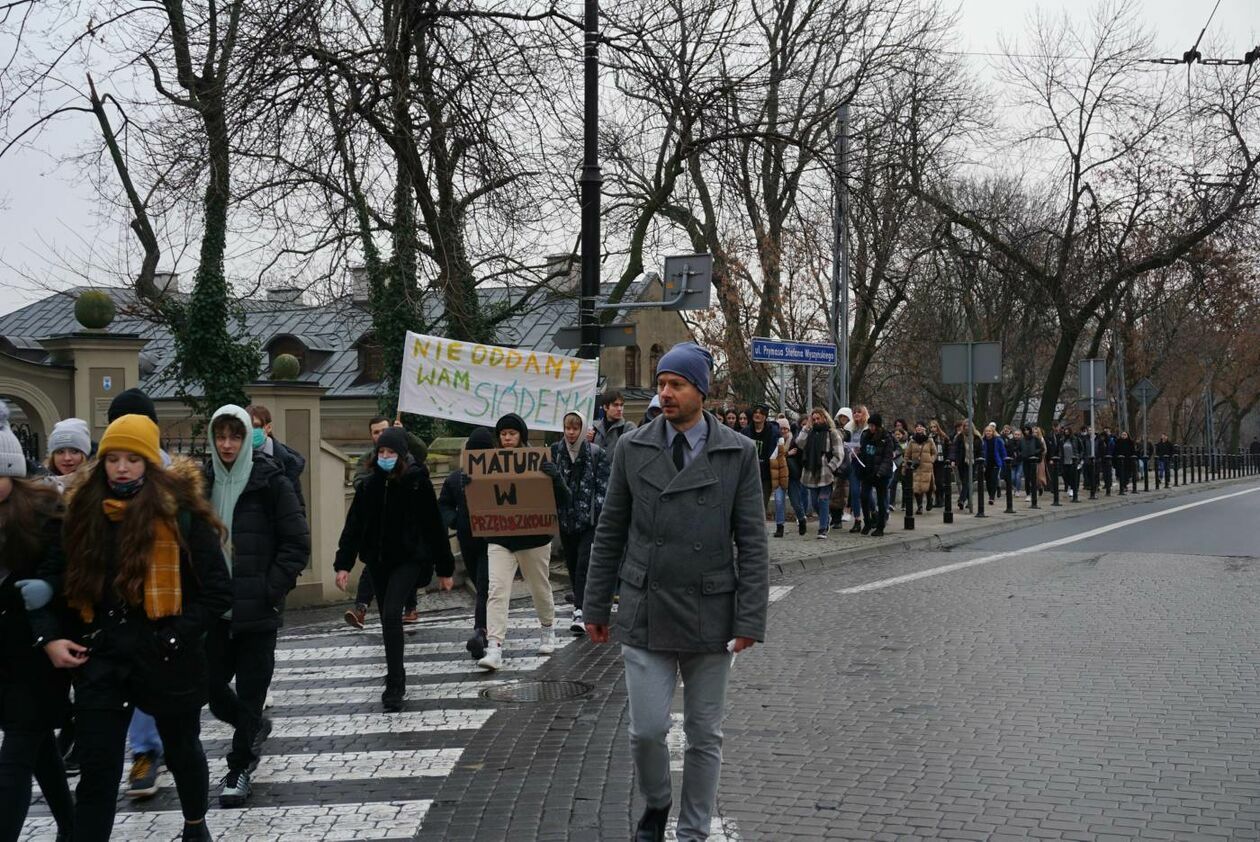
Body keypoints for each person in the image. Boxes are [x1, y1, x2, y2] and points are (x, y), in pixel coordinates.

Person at [583, 341, 768, 842]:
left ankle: (692, 833)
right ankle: (657, 800)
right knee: (645, 731)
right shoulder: (632, 446)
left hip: (712, 609)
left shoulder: (738, 451)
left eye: (676, 384)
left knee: (705, 735)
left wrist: (750, 619)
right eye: (662, 384)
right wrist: (595, 605)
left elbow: (752, 540)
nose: (665, 393)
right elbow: (610, 531)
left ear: (701, 392)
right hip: (646, 607)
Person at [38, 413, 232, 842]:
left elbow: (218, 592)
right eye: (113, 459)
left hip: (165, 655)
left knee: (182, 752)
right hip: (102, 658)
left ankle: (195, 825)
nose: (121, 468)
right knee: (98, 770)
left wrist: (177, 633)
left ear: (149, 462)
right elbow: (58, 583)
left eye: (132, 458)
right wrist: (52, 636)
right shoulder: (81, 512)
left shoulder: (180, 514)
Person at [203, 405, 310, 807]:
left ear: (248, 438)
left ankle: (240, 765)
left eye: (235, 436)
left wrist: (271, 589)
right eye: (221, 436)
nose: (227, 444)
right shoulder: (201, 481)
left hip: (259, 612)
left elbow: (296, 543)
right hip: (215, 610)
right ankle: (254, 727)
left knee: (251, 691)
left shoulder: (271, 482)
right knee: (211, 688)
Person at [334, 428, 454, 710]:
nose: (385, 457)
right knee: (388, 618)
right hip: (378, 560)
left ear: (401, 455)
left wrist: (445, 568)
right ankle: (395, 674)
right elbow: (353, 527)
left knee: (390, 613)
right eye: (381, 452)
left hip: (409, 558)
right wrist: (343, 564)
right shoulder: (369, 485)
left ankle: (395, 682)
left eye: (390, 452)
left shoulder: (417, 483)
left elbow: (434, 527)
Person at [0, 413, 74, 842]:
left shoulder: (45, 513)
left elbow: (67, 577)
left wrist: (46, 596)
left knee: (14, 760)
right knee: (38, 745)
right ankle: (71, 824)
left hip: (40, 654)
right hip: (5, 658)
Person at [475, 413, 569, 671]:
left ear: (521, 436)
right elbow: (480, 500)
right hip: (500, 538)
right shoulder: (487, 463)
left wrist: (555, 478)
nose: (507, 438)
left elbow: (565, 498)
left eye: (512, 433)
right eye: (503, 434)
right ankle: (494, 647)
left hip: (534, 538)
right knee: (497, 590)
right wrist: (468, 483)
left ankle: (548, 627)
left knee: (539, 587)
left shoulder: (538, 461)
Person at [346, 416, 422, 628]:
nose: (380, 436)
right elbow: (359, 482)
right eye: (375, 432)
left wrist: (405, 434)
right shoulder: (367, 460)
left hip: (404, 528)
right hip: (377, 523)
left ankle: (409, 607)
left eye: (383, 431)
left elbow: (420, 455)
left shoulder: (407, 457)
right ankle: (361, 608)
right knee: (372, 566)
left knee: (405, 562)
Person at [550, 411, 609, 635]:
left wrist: (599, 516)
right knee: (573, 565)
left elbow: (604, 487)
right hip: (566, 520)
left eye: (575, 428)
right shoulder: (556, 452)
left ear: (583, 429)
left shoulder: (596, 454)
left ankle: (580, 610)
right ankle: (580, 602)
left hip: (588, 521)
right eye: (568, 428)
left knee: (584, 565)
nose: (571, 432)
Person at [438, 428, 494, 660]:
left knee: (484, 586)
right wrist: (456, 521)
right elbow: (444, 505)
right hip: (468, 541)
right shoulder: (456, 479)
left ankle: (481, 631)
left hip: (492, 543)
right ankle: (488, 630)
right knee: (481, 585)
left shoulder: (498, 476)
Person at [243, 404, 306, 512]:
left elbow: (297, 507)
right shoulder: (237, 459)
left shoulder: (287, 463)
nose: (251, 431)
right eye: (247, 427)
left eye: (256, 426)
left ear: (268, 428)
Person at [796, 408, 844, 540]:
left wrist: (830, 467)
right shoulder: (809, 432)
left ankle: (822, 528)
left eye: (818, 418)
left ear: (824, 418)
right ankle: (826, 517)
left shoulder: (832, 433)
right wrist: (806, 427)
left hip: (825, 472)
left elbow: (839, 454)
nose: (816, 421)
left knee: (823, 499)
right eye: (814, 419)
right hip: (811, 472)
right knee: (815, 502)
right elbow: (799, 443)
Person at [855, 413, 896, 537]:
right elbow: (862, 452)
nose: (871, 428)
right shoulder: (866, 435)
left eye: (873, 426)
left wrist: (880, 473)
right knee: (864, 497)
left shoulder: (886, 437)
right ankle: (867, 522)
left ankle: (880, 527)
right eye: (870, 425)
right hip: (867, 471)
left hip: (880, 474)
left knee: (881, 500)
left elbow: (887, 457)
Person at [44, 418, 92, 492]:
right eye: (60, 452)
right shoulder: (40, 488)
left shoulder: (95, 487)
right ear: (52, 456)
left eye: (74, 451)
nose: (67, 458)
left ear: (84, 455)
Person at [589, 391, 637, 456]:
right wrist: (587, 441)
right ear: (605, 407)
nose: (619, 409)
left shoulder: (628, 427)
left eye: (621, 405)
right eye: (615, 405)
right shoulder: (594, 428)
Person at [904, 422, 937, 514]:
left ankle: (929, 500)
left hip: (927, 467)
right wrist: (905, 466)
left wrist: (931, 460)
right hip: (916, 467)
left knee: (928, 486)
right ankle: (920, 506)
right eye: (917, 426)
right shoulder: (912, 441)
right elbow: (907, 455)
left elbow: (934, 453)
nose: (919, 428)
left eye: (921, 426)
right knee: (916, 487)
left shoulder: (929, 440)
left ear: (924, 429)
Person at [981, 423, 1010, 505]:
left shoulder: (998, 440)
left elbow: (1002, 451)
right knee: (988, 480)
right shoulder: (982, 441)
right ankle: (991, 494)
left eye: (989, 431)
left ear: (993, 432)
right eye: (986, 431)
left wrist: (1004, 461)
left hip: (996, 463)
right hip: (986, 463)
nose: (988, 432)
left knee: (994, 479)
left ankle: (992, 497)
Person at [928, 419, 950, 509]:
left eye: (934, 427)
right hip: (932, 461)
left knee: (939, 481)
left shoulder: (943, 437)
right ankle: (938, 499)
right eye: (931, 427)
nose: (933, 429)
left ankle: (942, 498)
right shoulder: (929, 438)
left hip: (941, 461)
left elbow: (947, 448)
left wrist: (948, 459)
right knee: (934, 482)